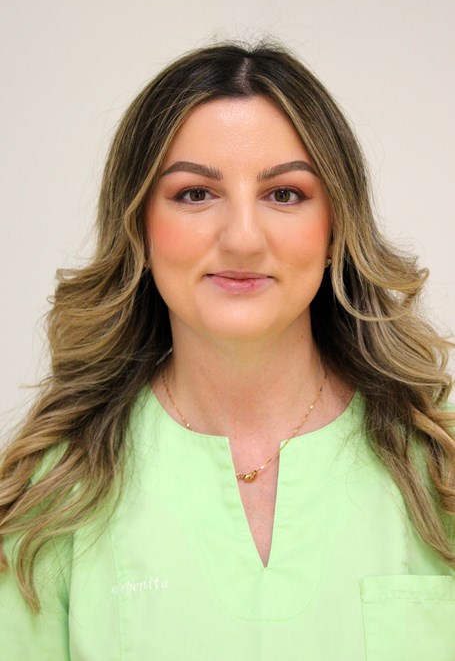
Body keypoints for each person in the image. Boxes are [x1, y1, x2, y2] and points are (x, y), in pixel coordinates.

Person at [0, 41, 454, 661]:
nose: (242, 238)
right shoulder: (52, 499)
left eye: (284, 194)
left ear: (335, 227)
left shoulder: (439, 475)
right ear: (139, 227)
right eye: (195, 194)